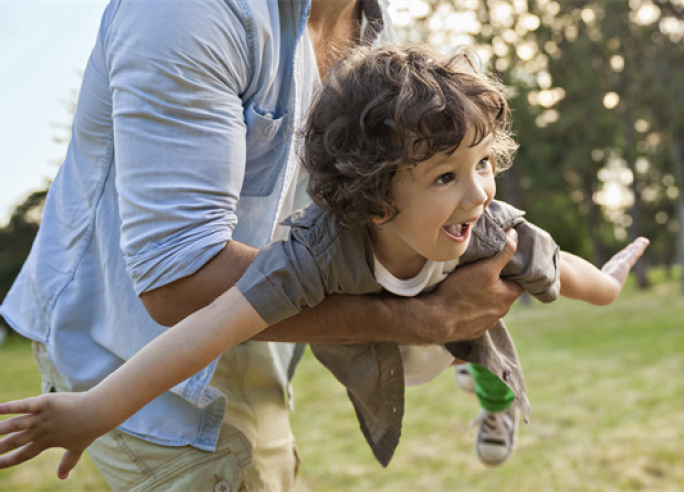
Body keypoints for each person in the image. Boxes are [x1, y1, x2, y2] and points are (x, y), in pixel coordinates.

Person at [0, 43, 649, 478]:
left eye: (483, 163)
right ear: (374, 201)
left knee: (480, 341)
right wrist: (95, 410)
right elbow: (204, 328)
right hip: (384, 341)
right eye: (445, 177)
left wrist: (612, 285)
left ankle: (489, 393)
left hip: (451, 322)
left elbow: (566, 270)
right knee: (440, 337)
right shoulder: (313, 256)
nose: (480, 191)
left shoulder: (490, 230)